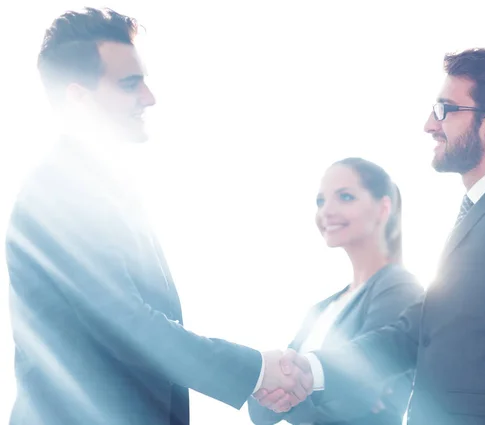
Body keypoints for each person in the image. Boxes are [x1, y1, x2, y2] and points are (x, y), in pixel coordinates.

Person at [5, 8, 310, 425]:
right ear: (78, 97)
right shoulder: (58, 191)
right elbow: (127, 325)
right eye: (131, 84)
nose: (150, 97)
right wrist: (256, 370)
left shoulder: (107, 189)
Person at [259, 48, 485, 425]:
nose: (430, 124)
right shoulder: (480, 213)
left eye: (445, 110)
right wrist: (309, 371)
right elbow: (415, 332)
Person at [248, 157, 423, 425]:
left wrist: (286, 395)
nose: (326, 211)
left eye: (345, 197)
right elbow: (260, 410)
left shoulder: (398, 287)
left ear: (382, 208)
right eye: (320, 201)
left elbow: (356, 398)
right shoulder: (321, 308)